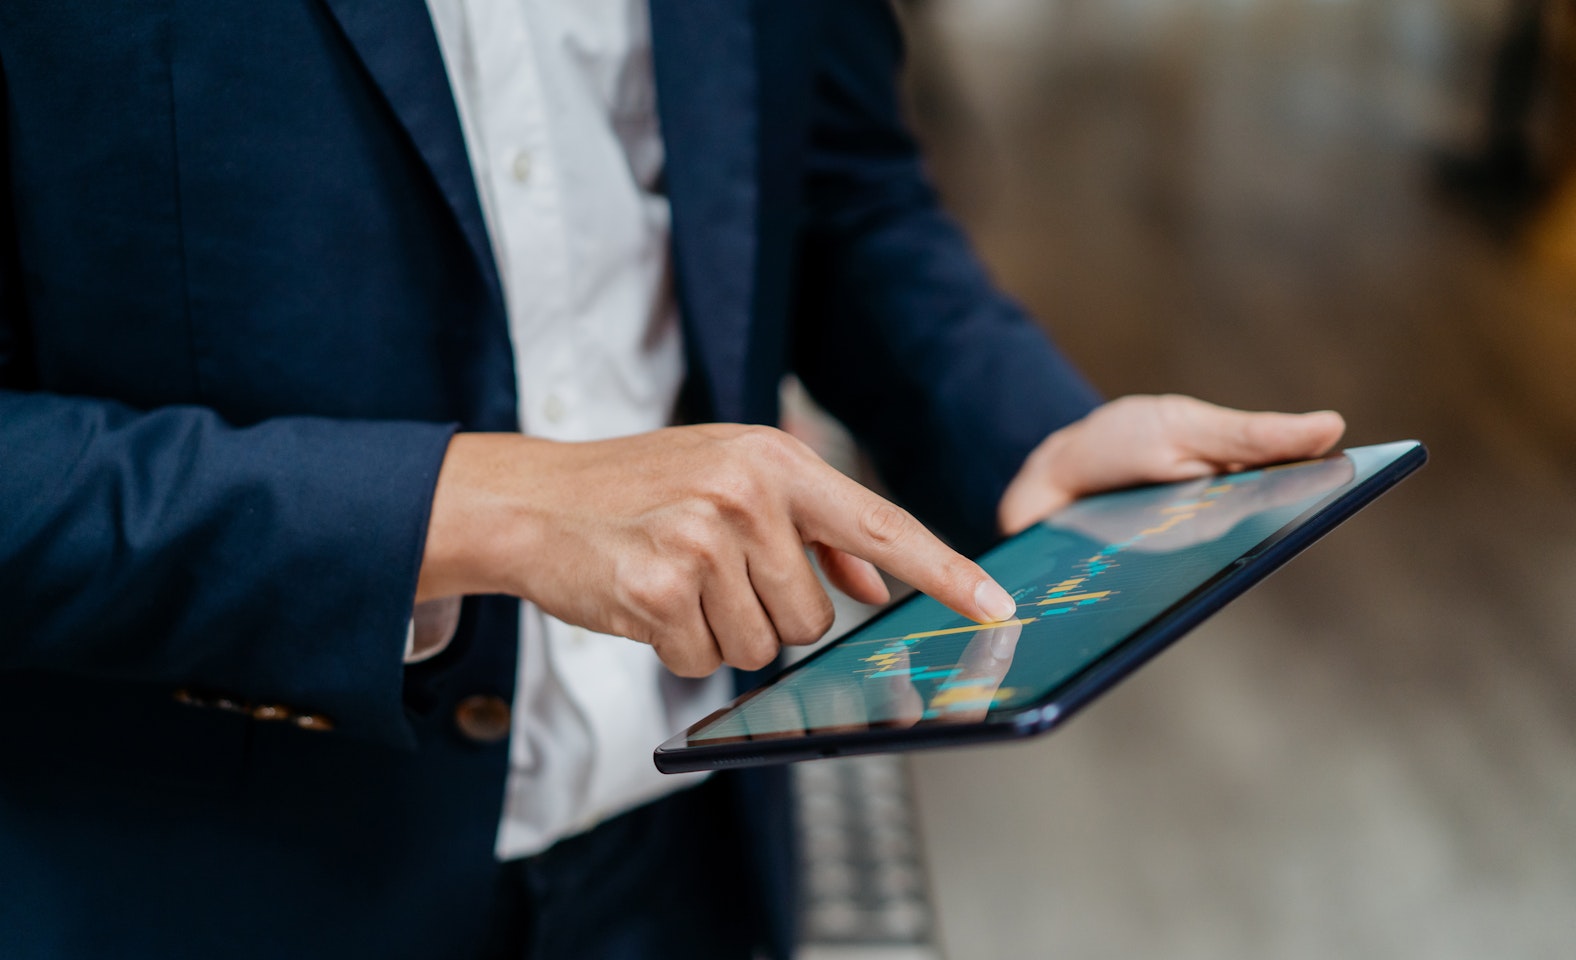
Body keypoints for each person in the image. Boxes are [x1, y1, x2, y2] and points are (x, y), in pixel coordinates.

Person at [0, 1, 1344, 957]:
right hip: (207, 877)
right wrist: (470, 509)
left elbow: (836, 183)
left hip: (689, 848)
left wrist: (1020, 431)